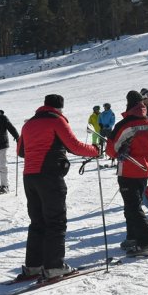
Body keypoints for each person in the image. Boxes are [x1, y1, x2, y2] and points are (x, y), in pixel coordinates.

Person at [15, 94, 100, 280]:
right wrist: (95, 150)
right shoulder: (56, 120)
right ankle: (54, 266)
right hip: (49, 175)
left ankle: (33, 266)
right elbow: (74, 146)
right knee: (55, 220)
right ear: (60, 107)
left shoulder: (29, 124)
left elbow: (20, 151)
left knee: (37, 222)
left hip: (29, 176)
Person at [106, 90, 148, 258]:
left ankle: (147, 244)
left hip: (128, 170)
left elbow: (111, 150)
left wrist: (120, 150)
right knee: (133, 205)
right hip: (144, 169)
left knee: (133, 207)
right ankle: (133, 238)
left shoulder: (125, 124)